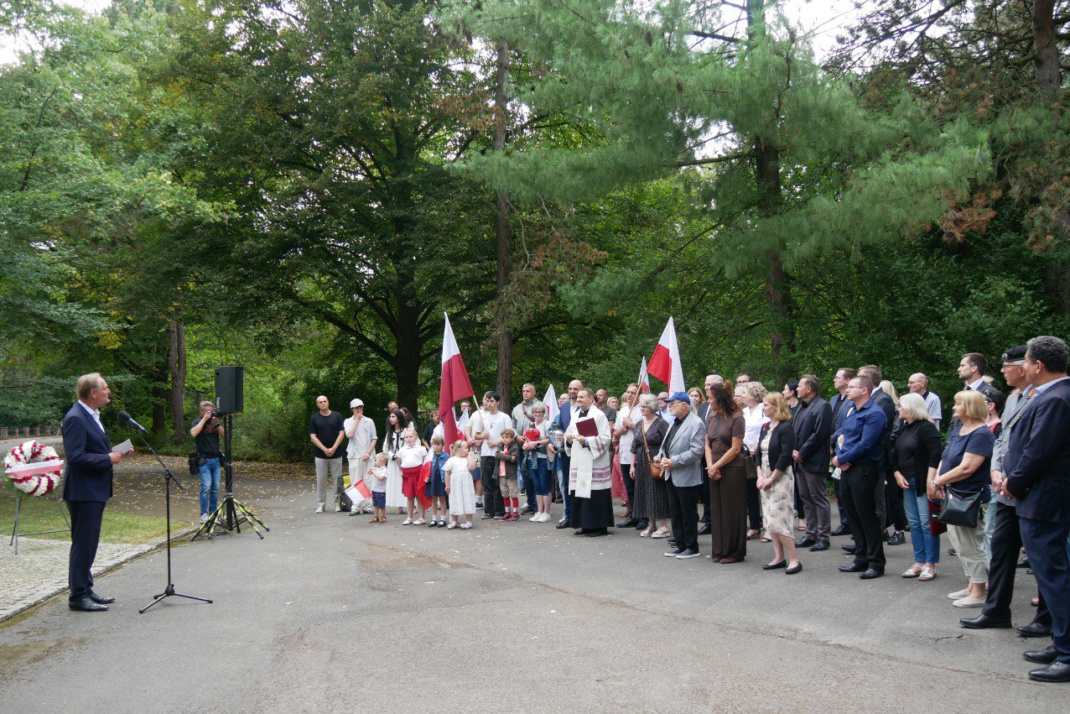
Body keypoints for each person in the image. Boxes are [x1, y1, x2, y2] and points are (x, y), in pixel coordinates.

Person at [960, 346, 1046, 631]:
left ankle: (1045, 620)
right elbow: (1002, 441)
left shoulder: (1045, 397)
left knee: (1042, 558)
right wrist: (996, 470)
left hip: (1031, 492)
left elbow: (1038, 449)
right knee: (1000, 553)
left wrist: (1014, 481)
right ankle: (996, 612)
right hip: (1005, 490)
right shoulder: (1013, 399)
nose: (1002, 370)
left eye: (1007, 366)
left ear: (1023, 367)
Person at [1000, 336, 1070, 682]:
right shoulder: (1050, 396)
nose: (1022, 368)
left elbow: (1037, 451)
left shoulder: (1057, 398)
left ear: (1038, 365)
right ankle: (1061, 642)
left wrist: (1013, 484)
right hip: (1039, 499)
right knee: (1050, 576)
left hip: (1045, 500)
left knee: (1054, 577)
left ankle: (1068, 653)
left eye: (1025, 362)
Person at [62, 373, 126, 612]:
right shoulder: (76, 418)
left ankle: (86, 588)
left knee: (89, 543)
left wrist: (114, 453)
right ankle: (77, 596)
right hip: (83, 491)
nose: (109, 392)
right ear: (93, 393)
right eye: (106, 388)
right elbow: (76, 457)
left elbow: (93, 448)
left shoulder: (91, 415)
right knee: (83, 544)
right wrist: (107, 458)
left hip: (93, 490)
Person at [930, 390, 994, 608]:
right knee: (959, 543)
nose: (954, 408)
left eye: (958, 404)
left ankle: (980, 591)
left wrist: (938, 482)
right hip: (955, 494)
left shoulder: (982, 434)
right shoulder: (960, 429)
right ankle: (971, 584)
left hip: (971, 496)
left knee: (971, 544)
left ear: (970, 407)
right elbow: (946, 457)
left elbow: (967, 468)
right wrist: (938, 479)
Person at [834, 375, 889, 579]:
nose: (847, 390)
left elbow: (866, 444)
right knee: (853, 515)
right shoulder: (851, 411)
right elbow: (845, 437)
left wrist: (843, 458)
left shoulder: (874, 413)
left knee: (866, 516)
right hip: (847, 468)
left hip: (864, 469)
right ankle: (861, 557)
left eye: (852, 387)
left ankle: (876, 563)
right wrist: (840, 456)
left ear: (864, 390)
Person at [890, 393, 943, 582]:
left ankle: (930, 563)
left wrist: (931, 482)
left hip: (922, 482)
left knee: (927, 523)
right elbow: (893, 454)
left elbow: (936, 454)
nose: (898, 409)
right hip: (906, 482)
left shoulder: (926, 428)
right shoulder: (903, 429)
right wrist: (896, 473)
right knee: (914, 524)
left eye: (901, 406)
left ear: (912, 407)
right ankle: (919, 561)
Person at [755, 392, 801, 574]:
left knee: (779, 518)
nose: (763, 407)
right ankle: (779, 557)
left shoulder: (785, 427)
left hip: (780, 477)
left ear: (776, 406)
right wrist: (760, 475)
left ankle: (795, 559)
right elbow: (758, 453)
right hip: (764, 475)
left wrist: (771, 478)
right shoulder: (765, 426)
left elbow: (785, 456)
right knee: (768, 518)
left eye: (766, 405)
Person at [658, 392, 706, 559]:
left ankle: (692, 547)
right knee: (676, 512)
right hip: (671, 474)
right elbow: (666, 445)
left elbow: (696, 452)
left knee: (688, 513)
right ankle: (680, 544)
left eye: (674, 403)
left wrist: (673, 461)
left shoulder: (696, 423)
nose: (669, 405)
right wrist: (662, 458)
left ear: (685, 405)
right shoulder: (674, 422)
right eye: (669, 403)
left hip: (686, 475)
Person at [706, 381, 747, 563]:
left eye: (710, 399)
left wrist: (717, 466)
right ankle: (719, 550)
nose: (709, 402)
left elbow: (736, 449)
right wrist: (710, 466)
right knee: (717, 510)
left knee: (732, 510)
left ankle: (733, 552)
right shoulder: (712, 418)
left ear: (720, 399)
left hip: (732, 470)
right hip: (714, 470)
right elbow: (707, 444)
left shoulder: (737, 417)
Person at [565, 387, 614, 536]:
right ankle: (585, 524)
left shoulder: (598, 415)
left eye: (582, 397)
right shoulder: (575, 414)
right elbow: (570, 432)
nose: (578, 399)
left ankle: (599, 526)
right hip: (579, 459)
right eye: (577, 397)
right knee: (580, 492)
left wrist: (586, 440)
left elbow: (606, 438)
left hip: (594, 460)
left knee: (595, 493)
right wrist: (567, 439)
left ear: (591, 399)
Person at [793, 375, 834, 551]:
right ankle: (811, 534)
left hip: (814, 459)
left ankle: (823, 537)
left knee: (819, 498)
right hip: (799, 461)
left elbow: (820, 434)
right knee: (805, 498)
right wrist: (794, 452)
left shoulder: (822, 406)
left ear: (809, 389)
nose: (797, 389)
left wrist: (802, 452)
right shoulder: (802, 407)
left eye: (800, 386)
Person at [630, 393, 670, 538]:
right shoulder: (639, 424)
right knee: (645, 492)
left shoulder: (661, 423)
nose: (642, 409)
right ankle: (651, 524)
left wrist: (661, 458)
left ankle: (663, 526)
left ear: (652, 407)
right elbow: (634, 445)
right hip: (641, 462)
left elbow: (667, 444)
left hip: (655, 462)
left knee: (658, 492)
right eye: (641, 406)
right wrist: (632, 465)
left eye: (644, 406)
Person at [736, 382, 768, 540]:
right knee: (750, 492)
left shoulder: (764, 409)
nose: (743, 395)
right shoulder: (743, 412)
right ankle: (755, 526)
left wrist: (757, 445)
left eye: (745, 392)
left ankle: (769, 527)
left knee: (765, 491)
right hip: (745, 455)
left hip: (761, 454)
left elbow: (768, 429)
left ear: (754, 394)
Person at [473, 391, 511, 520]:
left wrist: (496, 442)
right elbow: (476, 434)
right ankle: (489, 510)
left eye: (492, 401)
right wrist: (483, 436)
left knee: (498, 482)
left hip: (498, 453)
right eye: (488, 401)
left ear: (498, 402)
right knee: (486, 481)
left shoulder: (504, 417)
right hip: (485, 453)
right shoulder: (482, 417)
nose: (489, 403)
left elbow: (509, 436)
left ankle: (499, 510)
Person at [829, 368, 856, 537]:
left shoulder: (852, 401)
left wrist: (831, 440)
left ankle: (851, 522)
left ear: (847, 381)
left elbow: (845, 426)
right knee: (838, 485)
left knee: (846, 486)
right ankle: (844, 521)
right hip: (832, 447)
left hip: (843, 446)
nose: (834, 380)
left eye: (837, 377)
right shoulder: (833, 399)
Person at [190, 400, 225, 524]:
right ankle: (203, 514)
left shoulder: (215, 422)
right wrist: (204, 420)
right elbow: (193, 433)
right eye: (208, 411)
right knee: (206, 487)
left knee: (215, 488)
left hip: (215, 459)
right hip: (203, 460)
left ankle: (213, 514)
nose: (210, 414)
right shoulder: (197, 422)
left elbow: (224, 435)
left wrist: (217, 425)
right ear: (202, 411)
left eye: (211, 411)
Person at [309, 395, 346, 513]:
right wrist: (325, 449)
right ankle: (321, 504)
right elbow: (312, 437)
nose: (323, 403)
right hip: (320, 455)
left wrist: (333, 448)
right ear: (317, 405)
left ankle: (338, 504)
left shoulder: (337, 416)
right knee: (321, 480)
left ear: (328, 402)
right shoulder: (314, 418)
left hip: (337, 453)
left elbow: (342, 433)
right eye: (320, 402)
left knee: (337, 479)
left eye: (325, 401)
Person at [614, 384, 643, 530]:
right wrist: (621, 430)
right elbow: (616, 434)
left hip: (638, 454)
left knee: (639, 487)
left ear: (639, 395)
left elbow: (645, 432)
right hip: (624, 454)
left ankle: (643, 516)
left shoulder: (642, 410)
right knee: (629, 487)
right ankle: (633, 514)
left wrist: (631, 425)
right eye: (629, 392)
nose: (630, 395)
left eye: (634, 393)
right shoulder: (623, 411)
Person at [553, 380, 582, 529]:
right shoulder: (564, 407)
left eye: (575, 389)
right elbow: (560, 427)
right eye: (570, 388)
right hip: (565, 451)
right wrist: (557, 439)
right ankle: (568, 515)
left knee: (580, 484)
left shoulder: (585, 408)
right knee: (567, 484)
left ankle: (580, 516)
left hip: (581, 451)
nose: (572, 391)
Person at [344, 398, 377, 516]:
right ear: (352, 409)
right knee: (355, 481)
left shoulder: (369, 421)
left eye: (361, 408)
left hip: (368, 455)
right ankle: (356, 506)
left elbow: (374, 438)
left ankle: (368, 506)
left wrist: (368, 452)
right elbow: (349, 435)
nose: (359, 410)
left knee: (369, 480)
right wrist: (356, 421)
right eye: (357, 408)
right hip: (354, 455)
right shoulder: (348, 421)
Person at [523, 402, 553, 522]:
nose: (537, 414)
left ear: (543, 413)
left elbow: (549, 439)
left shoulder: (547, 424)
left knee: (544, 484)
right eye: (535, 412)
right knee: (536, 484)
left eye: (539, 412)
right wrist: (526, 444)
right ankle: (539, 511)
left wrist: (536, 443)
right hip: (531, 457)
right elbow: (526, 439)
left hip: (543, 457)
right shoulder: (530, 425)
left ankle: (546, 512)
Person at [512, 383, 539, 515]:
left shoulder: (540, 407)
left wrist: (532, 440)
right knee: (525, 474)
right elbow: (512, 426)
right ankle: (530, 502)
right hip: (521, 445)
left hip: (536, 447)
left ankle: (539, 503)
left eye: (528, 391)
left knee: (535, 474)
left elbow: (543, 425)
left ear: (534, 393)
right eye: (523, 391)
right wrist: (516, 436)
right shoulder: (517, 408)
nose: (525, 393)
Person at [396, 427, 428, 525]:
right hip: (407, 475)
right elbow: (399, 461)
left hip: (418, 475)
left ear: (416, 437)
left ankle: (422, 517)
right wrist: (402, 469)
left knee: (419, 496)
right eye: (406, 437)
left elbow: (425, 461)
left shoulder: (421, 448)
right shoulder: (402, 450)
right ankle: (409, 517)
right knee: (409, 497)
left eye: (411, 436)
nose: (409, 439)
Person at [445, 440, 477, 529]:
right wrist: (447, 485)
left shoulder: (467, 459)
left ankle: (469, 521)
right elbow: (447, 473)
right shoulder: (451, 460)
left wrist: (470, 456)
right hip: (455, 484)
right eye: (466, 448)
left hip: (466, 484)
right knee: (454, 500)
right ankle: (454, 521)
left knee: (467, 500)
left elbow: (472, 467)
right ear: (459, 449)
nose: (468, 450)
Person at [382, 409, 408, 513]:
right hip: (393, 462)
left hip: (405, 461)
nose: (391, 419)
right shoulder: (390, 433)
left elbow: (413, 443)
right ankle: (399, 506)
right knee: (396, 483)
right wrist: (393, 456)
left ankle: (411, 504)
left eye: (393, 417)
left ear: (398, 418)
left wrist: (401, 456)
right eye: (390, 417)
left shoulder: (407, 431)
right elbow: (385, 448)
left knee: (405, 482)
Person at [496, 428, 522, 521]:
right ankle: (507, 513)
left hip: (511, 474)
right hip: (501, 474)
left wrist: (504, 456)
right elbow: (497, 455)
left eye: (507, 437)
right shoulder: (500, 446)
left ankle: (515, 513)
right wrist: (508, 456)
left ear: (512, 438)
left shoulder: (514, 447)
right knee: (504, 493)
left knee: (513, 493)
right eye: (503, 437)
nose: (504, 439)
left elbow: (514, 459)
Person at [425, 436, 449, 527]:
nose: (436, 446)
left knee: (442, 498)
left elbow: (448, 469)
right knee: (433, 499)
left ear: (443, 445)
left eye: (438, 444)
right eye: (434, 444)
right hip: (432, 479)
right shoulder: (430, 456)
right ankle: (434, 518)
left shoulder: (446, 456)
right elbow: (427, 468)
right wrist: (427, 477)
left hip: (441, 480)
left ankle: (443, 518)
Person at [367, 453, 389, 523]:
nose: (375, 462)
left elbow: (381, 478)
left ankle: (383, 516)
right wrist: (372, 470)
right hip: (374, 489)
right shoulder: (377, 469)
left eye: (376, 460)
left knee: (381, 505)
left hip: (381, 491)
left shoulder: (385, 470)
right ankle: (375, 516)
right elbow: (369, 473)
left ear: (381, 461)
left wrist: (374, 472)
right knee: (375, 504)